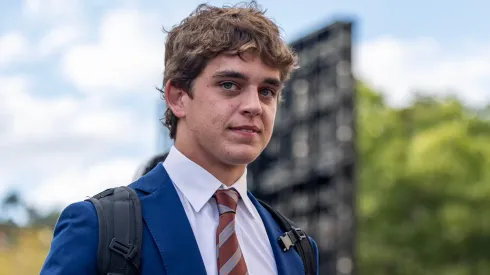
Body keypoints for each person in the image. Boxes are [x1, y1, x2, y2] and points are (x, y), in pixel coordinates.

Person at [40, 2, 319, 274]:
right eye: (230, 85)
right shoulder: (98, 227)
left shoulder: (298, 249)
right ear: (178, 97)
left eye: (267, 91)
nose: (254, 106)